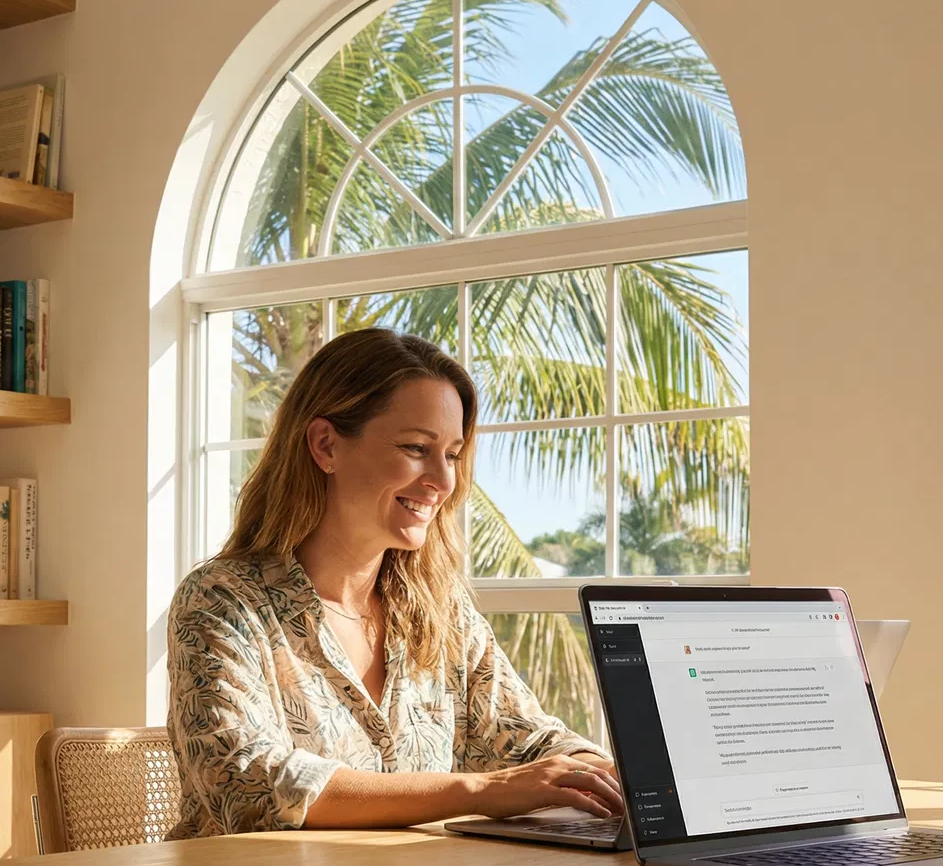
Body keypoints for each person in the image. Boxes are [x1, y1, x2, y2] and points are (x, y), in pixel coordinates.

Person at [165, 326, 621, 838]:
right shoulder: (222, 601)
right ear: (326, 445)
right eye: (415, 447)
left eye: (451, 454)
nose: (444, 481)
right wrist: (480, 790)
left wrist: (602, 773)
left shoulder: (440, 609)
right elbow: (251, 784)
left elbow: (527, 741)